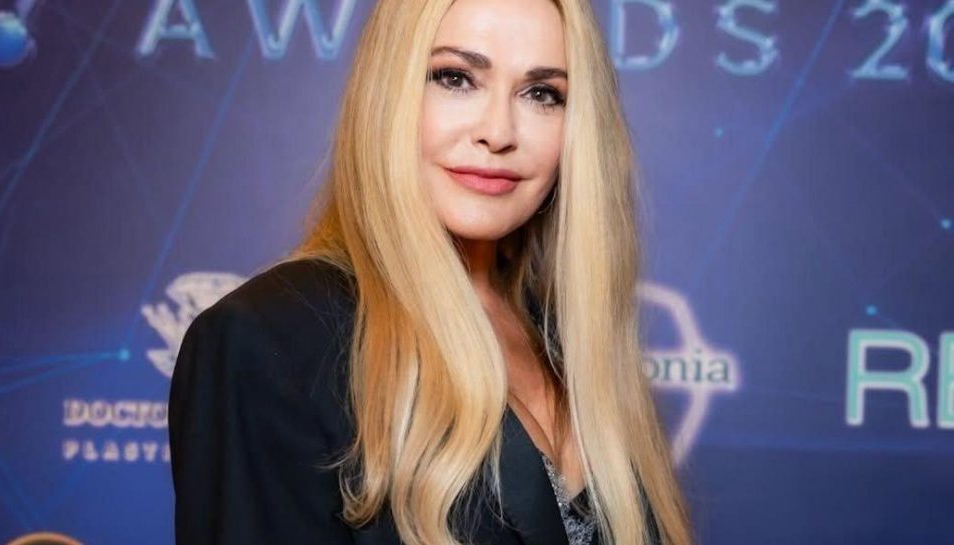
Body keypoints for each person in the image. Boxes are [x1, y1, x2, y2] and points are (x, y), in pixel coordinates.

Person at [168, 0, 695, 544]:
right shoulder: (268, 342)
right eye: (455, 78)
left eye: (542, 93)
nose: (498, 131)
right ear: (387, 92)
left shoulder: (569, 340)